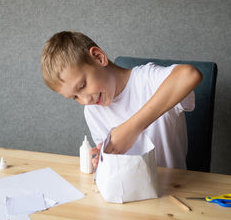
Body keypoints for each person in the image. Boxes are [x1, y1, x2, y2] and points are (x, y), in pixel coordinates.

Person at [41, 31, 203, 170]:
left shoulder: (147, 79)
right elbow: (117, 161)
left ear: (99, 57)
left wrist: (131, 129)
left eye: (83, 85)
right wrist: (103, 158)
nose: (85, 100)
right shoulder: (93, 111)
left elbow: (190, 74)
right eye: (75, 97)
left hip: (173, 187)